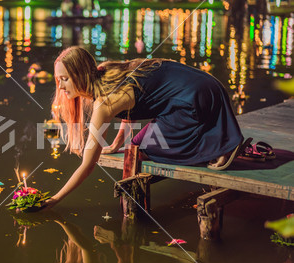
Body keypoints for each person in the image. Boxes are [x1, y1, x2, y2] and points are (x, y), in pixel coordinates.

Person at [43, 46, 247, 208]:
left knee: (143, 148)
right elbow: (128, 106)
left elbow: (87, 165)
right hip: (206, 87)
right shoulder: (105, 72)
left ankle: (219, 148)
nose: (60, 87)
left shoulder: (103, 105)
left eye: (64, 79)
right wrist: (116, 144)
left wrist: (55, 199)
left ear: (80, 75)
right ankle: (220, 142)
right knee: (138, 143)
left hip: (194, 100)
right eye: (58, 80)